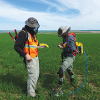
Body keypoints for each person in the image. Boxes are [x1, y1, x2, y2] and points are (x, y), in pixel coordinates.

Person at [14, 17, 46, 97]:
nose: (35, 28)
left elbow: (32, 45)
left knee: (36, 74)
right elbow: (17, 46)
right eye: (34, 26)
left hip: (35, 57)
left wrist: (40, 46)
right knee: (32, 76)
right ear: (29, 25)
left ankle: (32, 90)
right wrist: (25, 55)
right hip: (29, 58)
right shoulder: (24, 33)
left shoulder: (31, 33)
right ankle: (31, 95)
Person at [56, 26, 77, 93]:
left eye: (62, 34)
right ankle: (72, 82)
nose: (61, 36)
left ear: (65, 32)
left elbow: (71, 49)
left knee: (62, 69)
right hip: (67, 55)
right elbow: (67, 46)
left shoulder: (70, 37)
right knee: (69, 69)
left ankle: (59, 86)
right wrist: (62, 45)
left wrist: (62, 48)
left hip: (70, 56)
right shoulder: (65, 37)